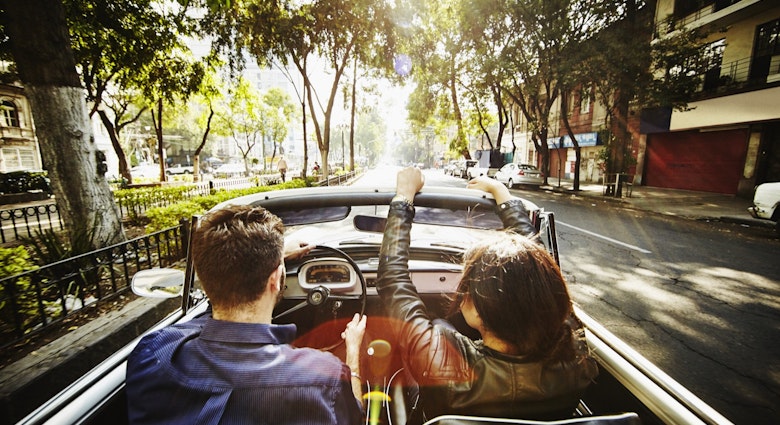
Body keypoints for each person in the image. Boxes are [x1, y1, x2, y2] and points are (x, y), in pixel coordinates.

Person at [376, 167, 598, 423]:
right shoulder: (576, 358)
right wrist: (501, 194)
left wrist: (404, 197)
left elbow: (392, 278)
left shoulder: (439, 360)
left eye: (468, 284)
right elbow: (542, 273)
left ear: (481, 311)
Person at [126, 204, 366, 424]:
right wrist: (352, 352)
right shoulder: (323, 379)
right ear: (277, 279)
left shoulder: (153, 354)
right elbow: (355, 416)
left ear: (206, 279)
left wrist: (273, 259)